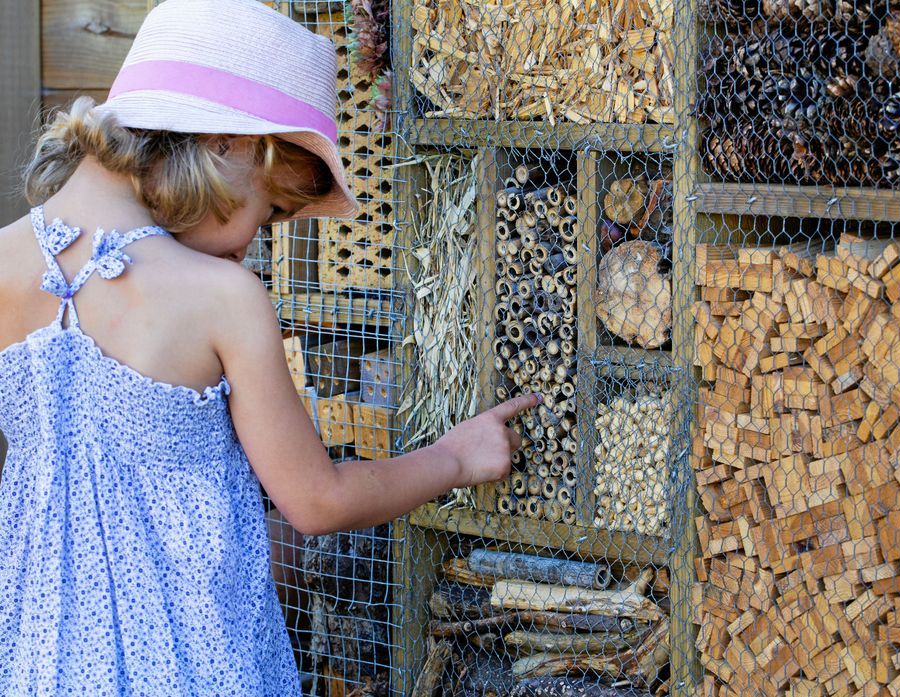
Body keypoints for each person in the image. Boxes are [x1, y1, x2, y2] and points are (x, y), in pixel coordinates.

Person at [0, 0, 538, 693]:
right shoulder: (222, 298)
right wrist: (455, 455)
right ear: (231, 144)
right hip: (199, 668)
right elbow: (315, 500)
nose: (255, 243)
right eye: (273, 211)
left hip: (36, 662)